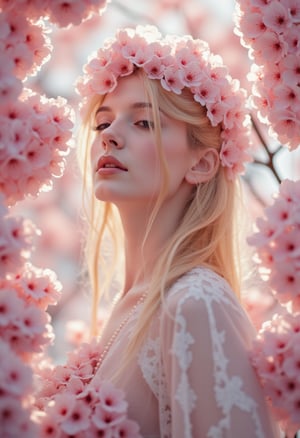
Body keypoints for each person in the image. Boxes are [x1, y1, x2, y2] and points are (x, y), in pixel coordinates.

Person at [76, 25, 280, 437]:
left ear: (202, 164)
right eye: (102, 123)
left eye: (145, 122)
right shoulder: (130, 305)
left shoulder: (194, 303)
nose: (110, 137)